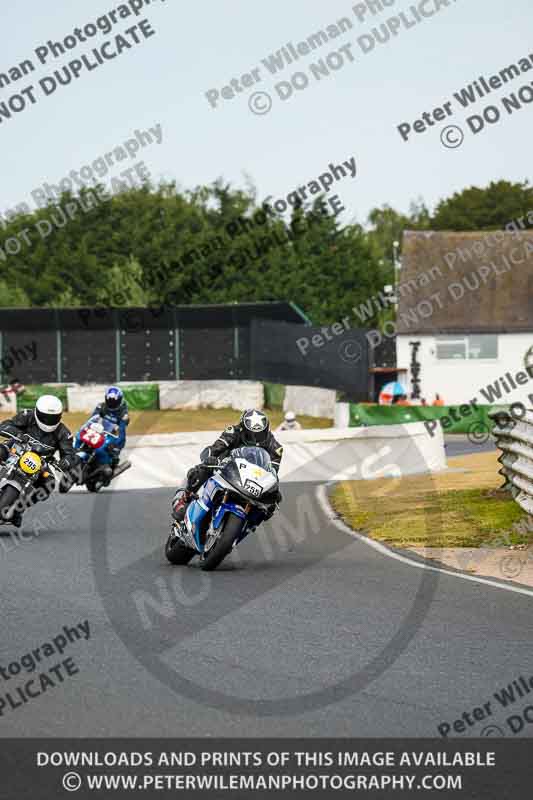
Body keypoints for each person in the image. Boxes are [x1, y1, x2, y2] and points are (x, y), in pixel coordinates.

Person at [172, 408, 283, 524]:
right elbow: (215, 448)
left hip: (252, 480)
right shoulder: (233, 432)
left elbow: (272, 473)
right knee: (201, 470)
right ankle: (184, 499)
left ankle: (248, 525)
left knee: (271, 503)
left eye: (260, 435)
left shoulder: (275, 448)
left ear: (267, 431)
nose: (255, 440)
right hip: (226, 468)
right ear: (242, 429)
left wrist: (274, 491)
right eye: (251, 435)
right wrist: (210, 457)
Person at [0, 395, 78, 527]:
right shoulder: (27, 416)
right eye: (45, 417)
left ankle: (19, 509)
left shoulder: (64, 433)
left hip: (40, 463)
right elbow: (5, 425)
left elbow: (71, 455)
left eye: (53, 418)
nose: (48, 421)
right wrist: (18, 435)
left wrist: (65, 462)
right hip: (16, 448)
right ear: (37, 412)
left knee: (49, 484)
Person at [92, 386, 129, 467]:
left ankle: (110, 466)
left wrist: (116, 447)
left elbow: (122, 433)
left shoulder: (123, 413)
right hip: (99, 432)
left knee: (110, 456)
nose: (112, 403)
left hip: (112, 436)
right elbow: (92, 420)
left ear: (119, 400)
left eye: (114, 401)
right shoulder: (101, 406)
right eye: (110, 401)